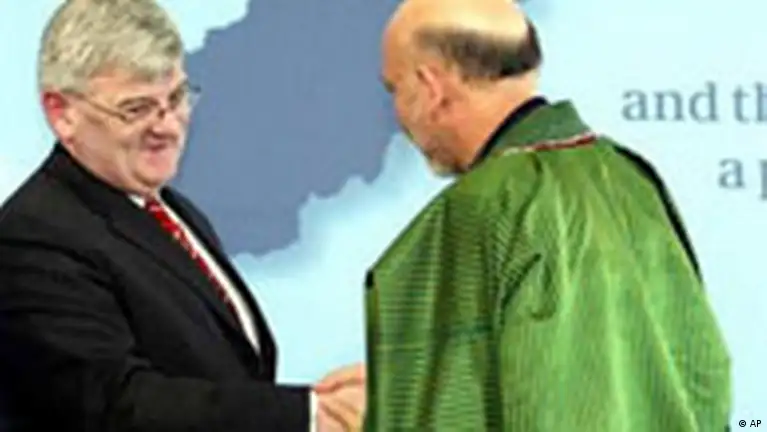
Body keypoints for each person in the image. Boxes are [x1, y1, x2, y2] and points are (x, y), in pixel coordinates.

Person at [365, 0, 732, 430]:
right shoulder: (631, 178)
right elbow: (703, 374)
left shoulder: (478, 211)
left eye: (394, 89)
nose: (396, 113)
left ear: (431, 88)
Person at [0, 1, 364, 431]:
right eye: (136, 109)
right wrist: (308, 415)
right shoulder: (32, 237)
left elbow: (226, 373)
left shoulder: (172, 211)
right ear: (62, 113)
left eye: (176, 98)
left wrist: (322, 401)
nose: (168, 126)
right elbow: (117, 405)